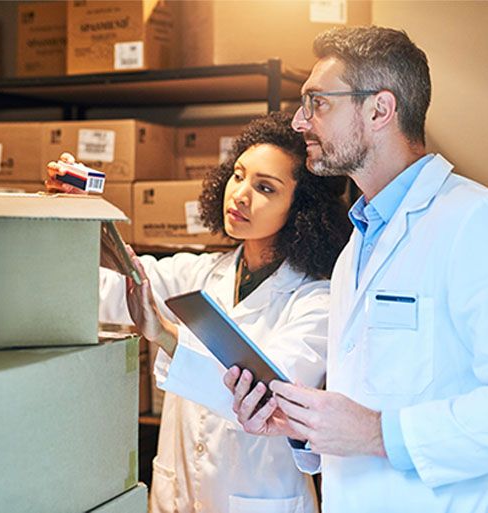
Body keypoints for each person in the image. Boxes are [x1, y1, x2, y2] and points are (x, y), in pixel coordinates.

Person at [224, 26, 488, 513]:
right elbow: (369, 407)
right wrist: (305, 428)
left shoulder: (480, 220)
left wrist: (378, 433)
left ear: (379, 110)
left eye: (317, 102)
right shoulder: (357, 245)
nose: (299, 121)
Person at [45, 112, 350, 513]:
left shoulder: (318, 301)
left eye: (265, 187)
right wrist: (78, 215)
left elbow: (264, 394)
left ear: (302, 209)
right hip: (177, 496)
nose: (240, 194)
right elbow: (114, 287)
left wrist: (167, 334)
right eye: (238, 175)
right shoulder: (202, 272)